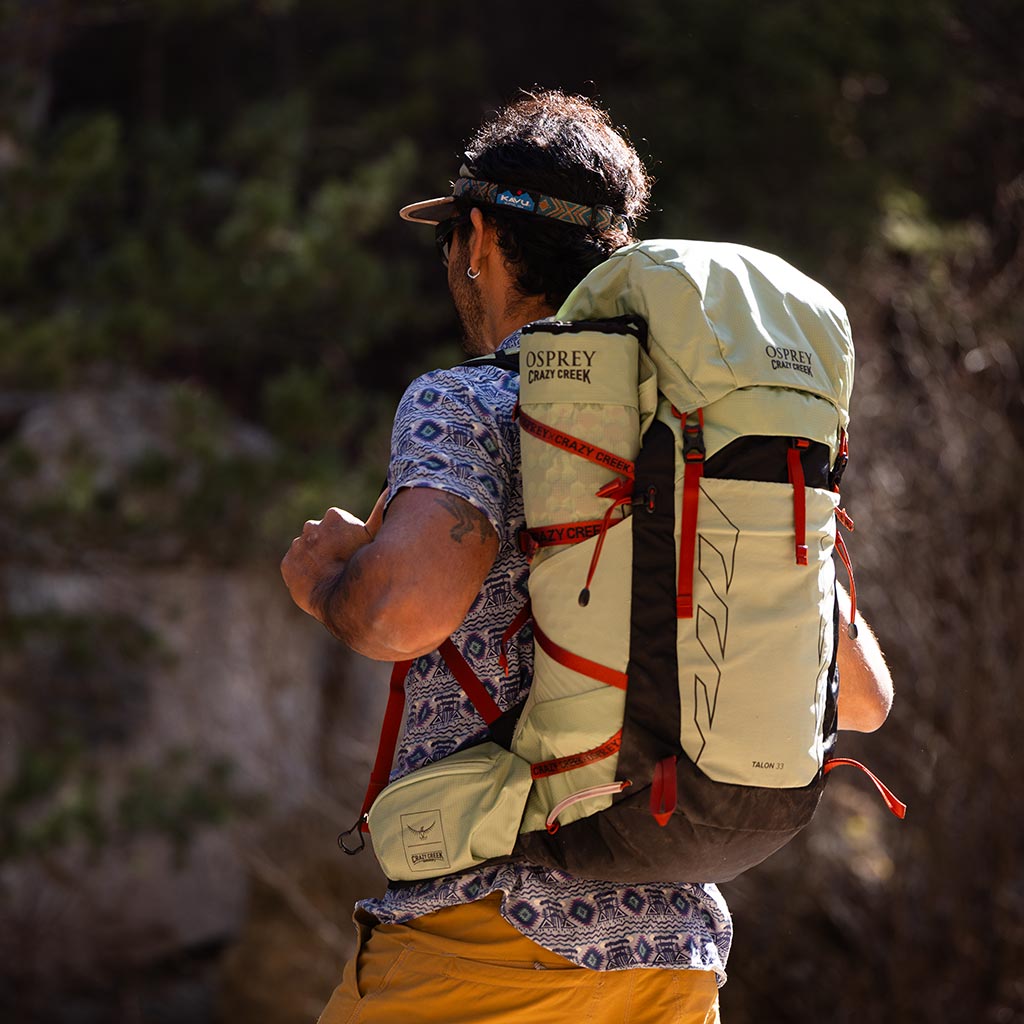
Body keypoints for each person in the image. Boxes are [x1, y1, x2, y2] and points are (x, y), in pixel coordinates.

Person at [280, 89, 893, 1024]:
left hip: (487, 941)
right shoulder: (695, 434)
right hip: (674, 961)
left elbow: (401, 612)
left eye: (451, 241)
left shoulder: (469, 401)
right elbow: (864, 698)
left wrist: (327, 581)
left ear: (479, 241)